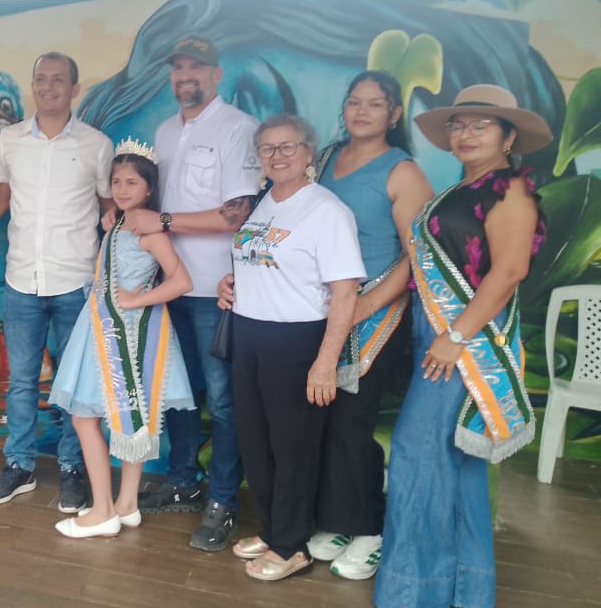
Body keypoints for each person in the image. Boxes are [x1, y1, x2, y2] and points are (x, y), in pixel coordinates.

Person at [375, 84, 551, 608]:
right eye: (457, 124)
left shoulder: (511, 190)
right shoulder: (460, 190)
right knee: (453, 463)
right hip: (440, 339)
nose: (465, 133)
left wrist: (456, 336)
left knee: (417, 456)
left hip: (464, 344)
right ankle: (463, 590)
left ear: (508, 136)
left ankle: (413, 592)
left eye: (481, 125)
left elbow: (510, 271)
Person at [125, 35, 260, 553]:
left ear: (216, 74)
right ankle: (183, 481)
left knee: (223, 401)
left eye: (196, 67)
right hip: (166, 286)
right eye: (178, 67)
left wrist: (161, 220)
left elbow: (238, 213)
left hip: (214, 290)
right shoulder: (164, 131)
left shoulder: (238, 128)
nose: (186, 76)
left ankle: (222, 499)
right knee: (178, 393)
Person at [217, 113, 364, 581]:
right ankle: (273, 528)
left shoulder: (327, 211)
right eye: (267, 148)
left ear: (308, 152)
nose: (276, 156)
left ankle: (292, 545)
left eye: (287, 147)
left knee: (292, 447)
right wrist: (230, 283)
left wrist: (325, 361)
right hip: (249, 334)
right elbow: (260, 262)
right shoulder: (264, 202)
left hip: (297, 340)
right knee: (256, 441)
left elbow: (345, 291)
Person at [0, 52, 114, 513]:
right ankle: (20, 465)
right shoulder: (11, 140)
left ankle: (72, 468)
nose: (48, 87)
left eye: (58, 79)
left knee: (72, 383)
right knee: (21, 381)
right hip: (21, 280)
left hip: (76, 282)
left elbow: (110, 207)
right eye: (41, 79)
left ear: (74, 89)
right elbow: (0, 199)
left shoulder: (97, 145)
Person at [303, 71, 433, 578]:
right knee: (323, 418)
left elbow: (418, 255)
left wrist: (367, 303)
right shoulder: (326, 158)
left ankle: (370, 530)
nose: (361, 111)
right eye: (354, 102)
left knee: (352, 424)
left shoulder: (403, 172)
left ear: (394, 114)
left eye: (375, 104)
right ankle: (339, 520)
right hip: (321, 310)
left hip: (373, 315)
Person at [50, 142, 195, 538]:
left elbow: (181, 281)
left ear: (149, 189)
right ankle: (127, 504)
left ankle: (103, 510)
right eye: (116, 181)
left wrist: (135, 300)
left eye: (132, 182)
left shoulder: (150, 231)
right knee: (120, 415)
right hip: (102, 326)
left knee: (92, 416)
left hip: (130, 332)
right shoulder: (116, 222)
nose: (122, 189)